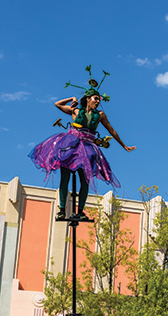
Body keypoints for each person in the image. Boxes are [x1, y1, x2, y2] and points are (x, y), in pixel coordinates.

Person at [30, 84, 135, 219]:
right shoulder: (76, 111)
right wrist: (72, 98)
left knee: (85, 180)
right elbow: (57, 104)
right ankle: (62, 210)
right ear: (88, 99)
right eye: (95, 99)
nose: (97, 102)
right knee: (65, 178)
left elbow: (111, 130)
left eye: (99, 100)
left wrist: (123, 145)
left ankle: (80, 212)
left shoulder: (100, 115)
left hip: (87, 148)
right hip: (70, 145)